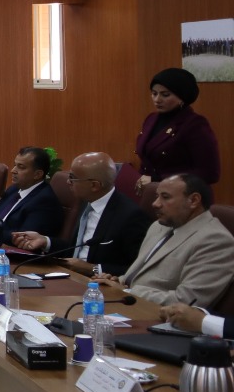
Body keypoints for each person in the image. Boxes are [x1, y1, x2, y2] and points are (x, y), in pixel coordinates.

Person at [102, 175, 234, 307]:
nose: (155, 204)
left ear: (193, 200)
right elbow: (137, 276)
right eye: (157, 196)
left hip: (155, 315)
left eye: (165, 197)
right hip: (127, 305)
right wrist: (115, 282)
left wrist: (127, 291)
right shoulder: (159, 226)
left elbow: (187, 301)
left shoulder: (216, 241)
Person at [12, 152, 151, 275]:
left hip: (99, 284)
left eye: (73, 178)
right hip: (69, 275)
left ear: (94, 185)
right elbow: (76, 250)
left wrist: (93, 269)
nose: (68, 182)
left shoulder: (130, 216)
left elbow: (139, 269)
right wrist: (45, 241)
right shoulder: (86, 202)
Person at [135, 67, 220, 204]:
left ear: (182, 97)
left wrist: (158, 179)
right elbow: (147, 158)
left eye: (165, 95)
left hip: (185, 199)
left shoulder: (195, 124)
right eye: (154, 93)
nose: (157, 99)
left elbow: (209, 173)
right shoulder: (151, 119)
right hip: (153, 195)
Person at [0, 147, 65, 240]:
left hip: (7, 247)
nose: (13, 170)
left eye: (21, 167)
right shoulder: (13, 189)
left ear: (37, 174)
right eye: (15, 165)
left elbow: (23, 238)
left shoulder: (44, 201)